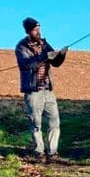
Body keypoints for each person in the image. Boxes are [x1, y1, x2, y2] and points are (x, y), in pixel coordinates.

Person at [16, 17, 68, 162]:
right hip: (33, 91)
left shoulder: (45, 44)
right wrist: (45, 56)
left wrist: (62, 55)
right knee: (36, 122)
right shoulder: (22, 47)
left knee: (54, 121)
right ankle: (39, 151)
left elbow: (56, 62)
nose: (38, 32)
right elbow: (26, 65)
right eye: (35, 29)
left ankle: (52, 152)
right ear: (28, 31)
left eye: (39, 29)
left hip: (48, 90)